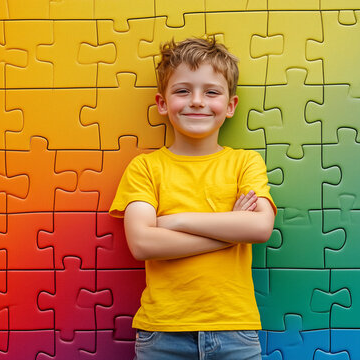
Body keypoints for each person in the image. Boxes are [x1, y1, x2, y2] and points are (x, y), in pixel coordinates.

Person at [109, 37, 277, 359]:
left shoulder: (245, 163)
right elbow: (142, 243)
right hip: (162, 334)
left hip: (234, 331)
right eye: (183, 90)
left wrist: (177, 221)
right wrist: (228, 234)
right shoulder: (146, 168)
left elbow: (259, 228)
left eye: (211, 92)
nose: (197, 101)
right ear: (162, 103)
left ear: (230, 106)